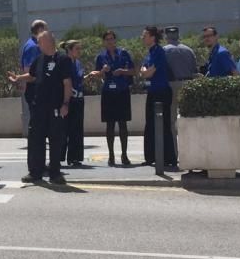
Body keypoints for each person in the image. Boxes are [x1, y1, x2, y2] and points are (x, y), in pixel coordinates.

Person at [8, 31, 72, 185]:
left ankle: (55, 173)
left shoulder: (62, 59)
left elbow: (67, 83)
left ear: (49, 42)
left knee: (56, 141)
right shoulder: (39, 59)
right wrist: (18, 78)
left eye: (40, 42)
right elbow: (32, 76)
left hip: (56, 107)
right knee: (36, 140)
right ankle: (35, 172)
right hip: (39, 108)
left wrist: (65, 104)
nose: (38, 45)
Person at [90, 30, 134, 166]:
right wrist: (103, 71)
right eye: (107, 39)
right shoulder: (101, 57)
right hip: (108, 92)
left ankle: (124, 155)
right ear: (104, 42)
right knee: (110, 125)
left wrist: (122, 71)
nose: (110, 42)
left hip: (122, 91)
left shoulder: (124, 53)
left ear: (115, 40)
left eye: (112, 39)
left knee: (123, 125)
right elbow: (95, 75)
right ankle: (111, 155)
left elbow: (133, 71)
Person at [140, 26, 176, 168]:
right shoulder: (149, 53)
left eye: (145, 35)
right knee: (150, 125)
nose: (143, 38)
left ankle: (168, 158)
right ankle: (151, 157)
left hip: (161, 92)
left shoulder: (159, 52)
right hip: (152, 91)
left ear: (152, 37)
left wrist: (145, 72)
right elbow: (142, 70)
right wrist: (144, 71)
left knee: (163, 125)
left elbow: (148, 73)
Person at [163, 26, 197, 143]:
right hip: (187, 84)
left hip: (171, 85)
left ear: (166, 36)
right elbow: (194, 70)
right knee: (188, 118)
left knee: (171, 121)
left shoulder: (164, 50)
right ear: (178, 35)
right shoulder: (188, 50)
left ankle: (174, 153)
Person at [20, 19, 48, 138]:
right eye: (46, 30)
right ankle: (35, 143)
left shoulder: (37, 45)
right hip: (35, 89)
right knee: (37, 119)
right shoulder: (32, 47)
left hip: (39, 88)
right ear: (40, 30)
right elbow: (29, 71)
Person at [60, 40, 86, 167]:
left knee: (77, 129)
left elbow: (79, 78)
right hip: (69, 99)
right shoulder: (65, 62)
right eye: (77, 49)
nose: (79, 51)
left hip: (79, 99)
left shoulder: (78, 63)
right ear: (69, 50)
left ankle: (75, 157)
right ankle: (59, 157)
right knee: (64, 129)